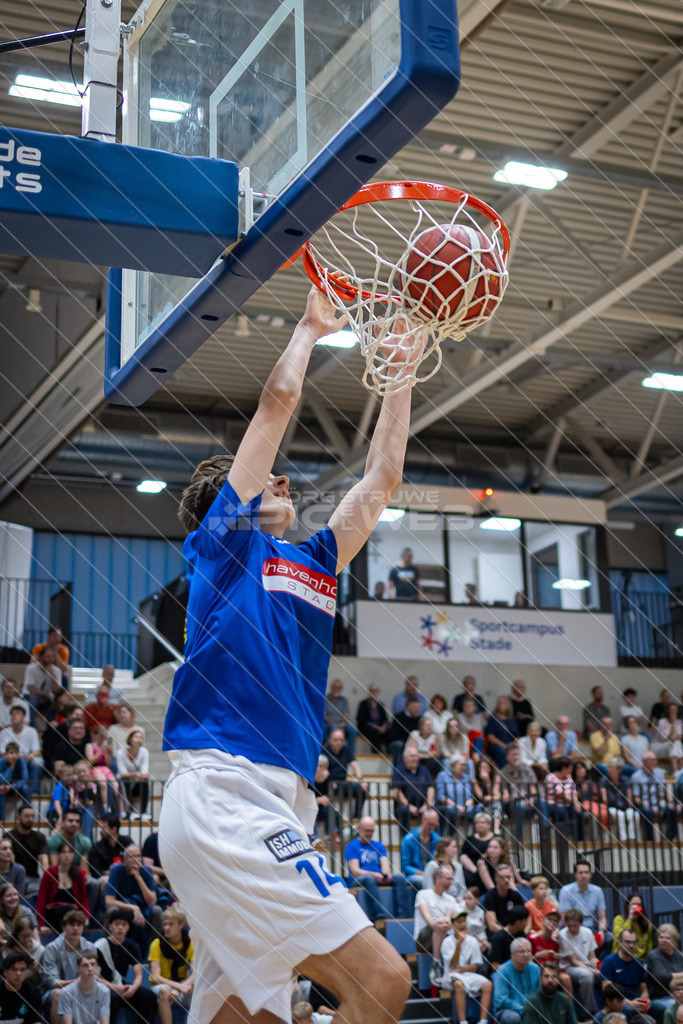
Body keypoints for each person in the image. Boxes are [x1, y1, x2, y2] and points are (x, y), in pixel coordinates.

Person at [94, 906, 157, 1024]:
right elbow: (95, 977)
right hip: (103, 988)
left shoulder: (132, 946)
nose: (120, 927)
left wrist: (133, 988)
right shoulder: (99, 946)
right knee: (112, 997)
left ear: (128, 927)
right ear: (110, 926)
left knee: (149, 996)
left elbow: (138, 975)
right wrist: (114, 987)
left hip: (121, 986)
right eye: (117, 924)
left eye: (124, 924)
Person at [344, 817, 408, 921]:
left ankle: (402, 915)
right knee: (369, 878)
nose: (369, 834)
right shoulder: (351, 846)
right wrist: (374, 874)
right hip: (359, 879)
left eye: (371, 831)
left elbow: (385, 865)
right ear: (359, 829)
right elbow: (355, 871)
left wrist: (386, 875)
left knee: (400, 878)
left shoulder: (379, 846)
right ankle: (378, 914)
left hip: (377, 877)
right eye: (366, 831)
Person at [441, 906, 493, 1022]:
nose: (463, 925)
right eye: (459, 922)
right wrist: (459, 944)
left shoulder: (473, 940)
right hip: (451, 976)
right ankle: (463, 1021)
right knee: (459, 985)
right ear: (453, 924)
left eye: (464, 921)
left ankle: (483, 1020)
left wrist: (460, 970)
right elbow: (453, 964)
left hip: (466, 974)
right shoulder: (447, 942)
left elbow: (474, 966)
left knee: (488, 985)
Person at [41, 909, 88, 1024]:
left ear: (83, 928)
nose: (75, 928)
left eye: (79, 925)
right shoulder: (51, 948)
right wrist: (75, 982)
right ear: (64, 928)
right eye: (72, 925)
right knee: (60, 994)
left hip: (81, 989)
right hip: (54, 993)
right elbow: (52, 982)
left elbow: (94, 976)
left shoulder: (90, 948)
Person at [149, 907, 194, 1024]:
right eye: (165, 924)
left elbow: (196, 974)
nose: (166, 928)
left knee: (202, 989)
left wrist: (180, 988)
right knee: (165, 990)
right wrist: (179, 987)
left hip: (181, 984)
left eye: (170, 924)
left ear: (181, 925)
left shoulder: (190, 943)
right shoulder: (157, 944)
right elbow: (155, 977)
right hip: (161, 985)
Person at [413, 865, 460, 976]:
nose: (451, 882)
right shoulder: (423, 894)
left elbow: (455, 918)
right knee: (439, 924)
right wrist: (436, 923)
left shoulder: (450, 899)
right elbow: (426, 915)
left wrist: (446, 921)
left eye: (452, 879)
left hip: (446, 935)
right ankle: (437, 963)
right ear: (438, 879)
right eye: (448, 879)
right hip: (424, 938)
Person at [105, 845, 162, 936]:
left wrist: (138, 877)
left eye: (138, 856)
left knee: (157, 910)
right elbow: (109, 901)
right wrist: (133, 907)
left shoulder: (147, 871)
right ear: (125, 859)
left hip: (143, 907)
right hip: (123, 907)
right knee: (112, 910)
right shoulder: (116, 870)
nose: (136, 859)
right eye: (132, 856)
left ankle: (156, 945)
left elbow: (152, 901)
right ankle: (109, 945)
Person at [600, 929, 654, 1024]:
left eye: (634, 942)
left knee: (659, 1008)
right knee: (629, 1010)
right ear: (619, 943)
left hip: (635, 1001)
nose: (631, 945)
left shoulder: (639, 963)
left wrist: (645, 1000)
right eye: (628, 942)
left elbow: (644, 989)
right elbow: (607, 991)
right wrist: (630, 1003)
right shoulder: (609, 961)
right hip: (616, 1002)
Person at [36, 842, 89, 937]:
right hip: (53, 913)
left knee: (76, 920)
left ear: (73, 855)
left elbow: (83, 898)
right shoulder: (49, 874)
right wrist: (41, 925)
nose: (67, 855)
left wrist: (86, 916)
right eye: (63, 852)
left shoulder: (78, 874)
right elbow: (41, 899)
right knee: (72, 913)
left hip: (71, 914)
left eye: (70, 852)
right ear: (58, 855)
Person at [559, 860, 611, 956]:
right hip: (573, 926)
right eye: (581, 873)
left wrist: (601, 932)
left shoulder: (598, 891)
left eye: (586, 872)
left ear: (591, 874)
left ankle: (599, 964)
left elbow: (602, 917)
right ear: (575, 875)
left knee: (610, 939)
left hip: (593, 927)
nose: (584, 875)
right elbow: (564, 919)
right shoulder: (566, 890)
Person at [559, 908, 599, 1021]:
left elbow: (592, 956)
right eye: (569, 925)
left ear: (581, 923)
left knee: (605, 973)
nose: (572, 929)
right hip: (570, 967)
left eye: (575, 926)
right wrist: (592, 971)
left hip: (586, 964)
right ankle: (590, 1012)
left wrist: (597, 966)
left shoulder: (588, 932)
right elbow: (573, 961)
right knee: (586, 976)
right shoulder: (563, 935)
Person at [630, 751, 677, 840]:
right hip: (643, 806)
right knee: (647, 813)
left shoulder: (659, 773)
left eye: (655, 760)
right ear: (644, 762)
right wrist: (650, 807)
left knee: (673, 812)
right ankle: (650, 841)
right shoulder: (636, 776)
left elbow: (665, 790)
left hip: (657, 805)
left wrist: (670, 802)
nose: (655, 762)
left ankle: (667, 841)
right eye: (652, 760)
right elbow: (636, 799)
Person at [492, 938, 541, 1024]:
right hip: (507, 1010)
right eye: (522, 951)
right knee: (513, 1018)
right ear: (513, 954)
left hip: (530, 1009)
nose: (526, 954)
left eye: (528, 951)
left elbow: (539, 993)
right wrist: (524, 1009)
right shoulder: (502, 971)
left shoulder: (535, 968)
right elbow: (501, 1000)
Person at [57, 948, 109, 1024]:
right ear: (78, 968)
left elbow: (105, 1021)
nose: (90, 969)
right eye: (85, 965)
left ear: (97, 967)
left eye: (93, 964)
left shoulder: (104, 991)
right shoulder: (66, 992)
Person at [390, 748, 434, 836]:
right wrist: (408, 806)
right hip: (405, 807)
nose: (415, 758)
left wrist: (428, 804)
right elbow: (396, 790)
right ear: (405, 758)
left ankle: (435, 842)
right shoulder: (399, 770)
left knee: (436, 812)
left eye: (417, 756)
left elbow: (431, 787)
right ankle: (406, 840)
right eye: (412, 756)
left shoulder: (424, 770)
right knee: (403, 811)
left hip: (424, 806)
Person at [0, 708, 42, 798]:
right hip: (8, 759)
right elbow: (2, 752)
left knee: (38, 762)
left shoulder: (32, 731)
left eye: (17, 713)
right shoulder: (4, 732)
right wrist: (13, 757)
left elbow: (37, 751)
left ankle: (33, 792)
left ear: (24, 717)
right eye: (12, 714)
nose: (14, 716)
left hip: (26, 759)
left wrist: (30, 756)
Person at [645, 925, 683, 1021]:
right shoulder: (653, 955)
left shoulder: (679, 956)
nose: (663, 940)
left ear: (674, 941)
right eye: (661, 937)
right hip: (660, 997)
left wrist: (672, 977)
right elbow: (661, 977)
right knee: (674, 1007)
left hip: (680, 994)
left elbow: (667, 976)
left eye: (667, 938)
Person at [400, 808, 440, 888]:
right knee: (424, 880)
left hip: (433, 874)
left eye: (434, 825)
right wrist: (423, 874)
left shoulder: (437, 839)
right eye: (430, 824)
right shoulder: (408, 839)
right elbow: (405, 866)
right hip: (415, 875)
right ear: (423, 820)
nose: (432, 828)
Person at [0, 949, 42, 1024]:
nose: (18, 974)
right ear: (5, 972)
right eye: (14, 969)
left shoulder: (33, 992)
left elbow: (36, 1021)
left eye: (22, 970)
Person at [21, 649, 61, 726]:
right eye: (48, 657)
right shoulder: (31, 668)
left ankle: (51, 730)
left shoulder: (56, 671)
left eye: (52, 657)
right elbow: (31, 689)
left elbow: (57, 690)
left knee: (56, 701)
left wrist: (51, 674)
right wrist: (46, 693)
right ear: (41, 657)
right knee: (33, 697)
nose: (51, 659)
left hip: (46, 700)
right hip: (29, 697)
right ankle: (31, 728)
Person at [601, 759, 638, 841]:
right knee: (620, 815)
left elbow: (629, 798)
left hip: (624, 807)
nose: (609, 770)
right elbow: (604, 799)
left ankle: (632, 838)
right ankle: (623, 839)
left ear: (619, 770)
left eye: (611, 768)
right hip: (611, 807)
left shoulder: (625, 780)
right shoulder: (604, 780)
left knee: (634, 815)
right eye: (609, 767)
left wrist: (629, 806)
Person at [116, 729, 150, 821]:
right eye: (136, 737)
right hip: (125, 782)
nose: (139, 740)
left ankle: (143, 812)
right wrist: (136, 774)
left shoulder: (144, 752)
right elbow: (122, 773)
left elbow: (145, 771)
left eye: (141, 738)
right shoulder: (120, 752)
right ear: (130, 739)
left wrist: (141, 775)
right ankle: (128, 812)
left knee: (145, 781)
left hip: (137, 782)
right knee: (125, 781)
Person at [435, 756, 474, 832]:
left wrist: (465, 807)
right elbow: (441, 797)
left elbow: (470, 797)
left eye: (465, 765)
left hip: (465, 808)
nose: (464, 767)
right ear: (454, 765)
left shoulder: (467, 778)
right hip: (450, 806)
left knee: (477, 810)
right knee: (449, 811)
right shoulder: (443, 776)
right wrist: (457, 807)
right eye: (462, 765)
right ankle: (449, 836)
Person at [46, 809, 91, 875]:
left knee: (94, 883)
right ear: (63, 823)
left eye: (77, 821)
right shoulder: (52, 841)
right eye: (70, 821)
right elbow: (54, 867)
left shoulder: (85, 842)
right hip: (59, 875)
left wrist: (83, 881)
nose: (74, 824)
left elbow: (84, 869)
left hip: (77, 875)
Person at [483, 865, 525, 934]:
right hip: (498, 933)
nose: (506, 880)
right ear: (496, 879)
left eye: (508, 877)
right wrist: (509, 931)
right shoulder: (490, 896)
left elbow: (525, 918)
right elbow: (492, 926)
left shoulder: (516, 895)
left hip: (514, 931)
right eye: (502, 877)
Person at [460, 812, 497, 888]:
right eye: (476, 823)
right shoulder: (470, 839)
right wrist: (475, 870)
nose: (479, 825)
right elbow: (463, 856)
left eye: (482, 822)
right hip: (473, 870)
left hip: (491, 868)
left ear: (489, 824)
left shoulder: (496, 838)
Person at [4, 914, 44, 986]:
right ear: (16, 935)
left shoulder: (40, 949)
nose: (26, 939)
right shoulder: (8, 949)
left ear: (32, 932)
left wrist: (34, 970)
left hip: (32, 985)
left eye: (28, 936)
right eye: (22, 936)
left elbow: (43, 980)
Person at [613, 895, 654, 961]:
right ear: (628, 906)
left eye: (639, 904)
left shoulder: (647, 925)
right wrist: (629, 919)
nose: (636, 907)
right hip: (621, 958)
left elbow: (649, 946)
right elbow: (618, 936)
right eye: (633, 904)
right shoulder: (619, 919)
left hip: (639, 960)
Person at [323, 679, 357, 757]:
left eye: (339, 687)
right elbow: (323, 715)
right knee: (334, 728)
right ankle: (333, 754)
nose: (337, 689)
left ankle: (350, 755)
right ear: (331, 687)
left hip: (341, 724)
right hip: (329, 724)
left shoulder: (344, 700)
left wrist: (343, 724)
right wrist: (335, 725)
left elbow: (346, 714)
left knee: (353, 729)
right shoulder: (325, 699)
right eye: (335, 687)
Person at [490, 906, 531, 970]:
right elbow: (495, 965)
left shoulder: (521, 934)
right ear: (518, 922)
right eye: (525, 921)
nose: (526, 924)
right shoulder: (498, 938)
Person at [485, 698, 519, 770]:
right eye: (500, 703)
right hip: (497, 745)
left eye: (504, 703)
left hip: (511, 745)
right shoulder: (492, 718)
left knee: (517, 751)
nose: (501, 705)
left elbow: (517, 736)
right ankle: (504, 772)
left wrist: (513, 745)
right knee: (500, 750)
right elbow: (490, 737)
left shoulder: (512, 719)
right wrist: (504, 746)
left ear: (508, 705)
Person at [356, 685, 389, 752]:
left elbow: (385, 719)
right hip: (367, 727)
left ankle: (389, 752)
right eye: (372, 691)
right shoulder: (363, 704)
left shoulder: (380, 704)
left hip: (380, 727)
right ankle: (377, 752)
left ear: (378, 692)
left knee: (390, 731)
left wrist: (383, 727)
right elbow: (361, 719)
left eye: (376, 691)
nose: (373, 693)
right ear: (368, 692)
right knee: (375, 732)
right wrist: (377, 728)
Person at [651, 704, 683, 772]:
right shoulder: (662, 722)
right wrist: (672, 725)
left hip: (671, 747)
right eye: (671, 710)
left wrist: (676, 737)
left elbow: (679, 737)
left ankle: (678, 771)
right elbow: (668, 739)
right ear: (668, 711)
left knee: (677, 743)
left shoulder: (679, 722)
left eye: (675, 710)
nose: (673, 712)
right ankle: (678, 771)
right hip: (658, 747)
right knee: (675, 743)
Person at [473, 761, 502, 827]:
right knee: (494, 805)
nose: (483, 770)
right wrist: (494, 797)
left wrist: (487, 781)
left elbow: (493, 793)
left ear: (490, 769)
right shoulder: (475, 780)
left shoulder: (496, 778)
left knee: (497, 804)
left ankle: (496, 830)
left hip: (492, 804)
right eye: (481, 767)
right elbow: (481, 797)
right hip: (480, 804)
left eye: (486, 768)